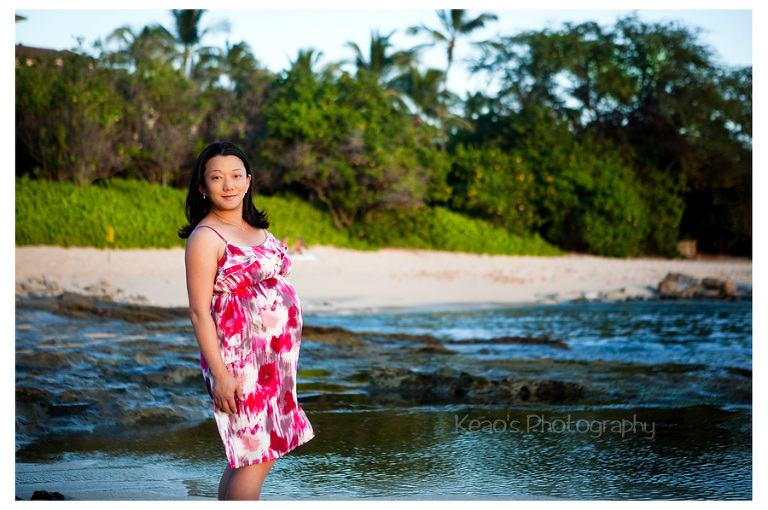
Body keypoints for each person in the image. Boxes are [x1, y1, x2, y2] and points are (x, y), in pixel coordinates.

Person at [179, 141, 314, 500]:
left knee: (248, 456)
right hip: (239, 365)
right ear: (201, 186)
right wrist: (221, 375)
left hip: (274, 365)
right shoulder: (206, 238)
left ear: (249, 180)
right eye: (217, 177)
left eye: (236, 176)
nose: (229, 185)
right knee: (256, 455)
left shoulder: (256, 229)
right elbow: (198, 312)